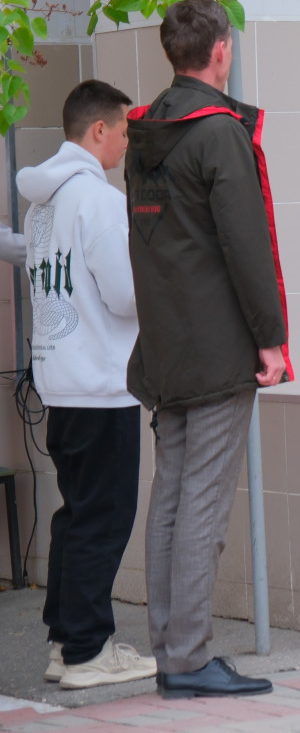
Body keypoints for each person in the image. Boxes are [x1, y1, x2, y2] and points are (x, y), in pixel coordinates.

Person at [125, 0, 290, 699]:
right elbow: (246, 246)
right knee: (201, 504)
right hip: (218, 346)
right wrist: (271, 339)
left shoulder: (145, 132)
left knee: (170, 497)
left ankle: (172, 650)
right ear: (221, 50)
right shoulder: (218, 132)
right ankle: (189, 656)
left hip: (165, 343)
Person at [17, 80, 156, 689]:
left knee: (75, 517)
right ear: (99, 130)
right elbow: (125, 296)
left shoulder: (42, 202)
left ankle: (66, 643)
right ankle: (88, 652)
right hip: (102, 383)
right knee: (104, 517)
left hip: (61, 382)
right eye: (124, 130)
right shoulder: (98, 201)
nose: (127, 142)